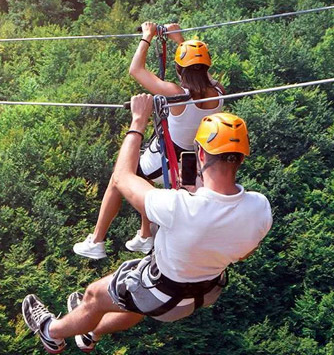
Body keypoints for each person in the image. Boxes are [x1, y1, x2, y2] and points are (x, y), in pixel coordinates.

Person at [22, 94, 272, 353]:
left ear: (199, 153)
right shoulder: (260, 208)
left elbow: (122, 177)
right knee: (135, 301)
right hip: (203, 294)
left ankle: (51, 332)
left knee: (94, 296)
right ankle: (91, 333)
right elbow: (244, 252)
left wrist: (138, 120)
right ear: (241, 158)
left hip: (161, 294)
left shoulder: (179, 206)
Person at [73, 22, 225, 258]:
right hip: (194, 161)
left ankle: (97, 240)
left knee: (119, 177)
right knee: (145, 180)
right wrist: (179, 40)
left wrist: (147, 36)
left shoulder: (176, 94)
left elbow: (136, 70)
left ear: (178, 68)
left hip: (168, 157)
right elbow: (201, 72)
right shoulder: (219, 92)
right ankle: (145, 235)